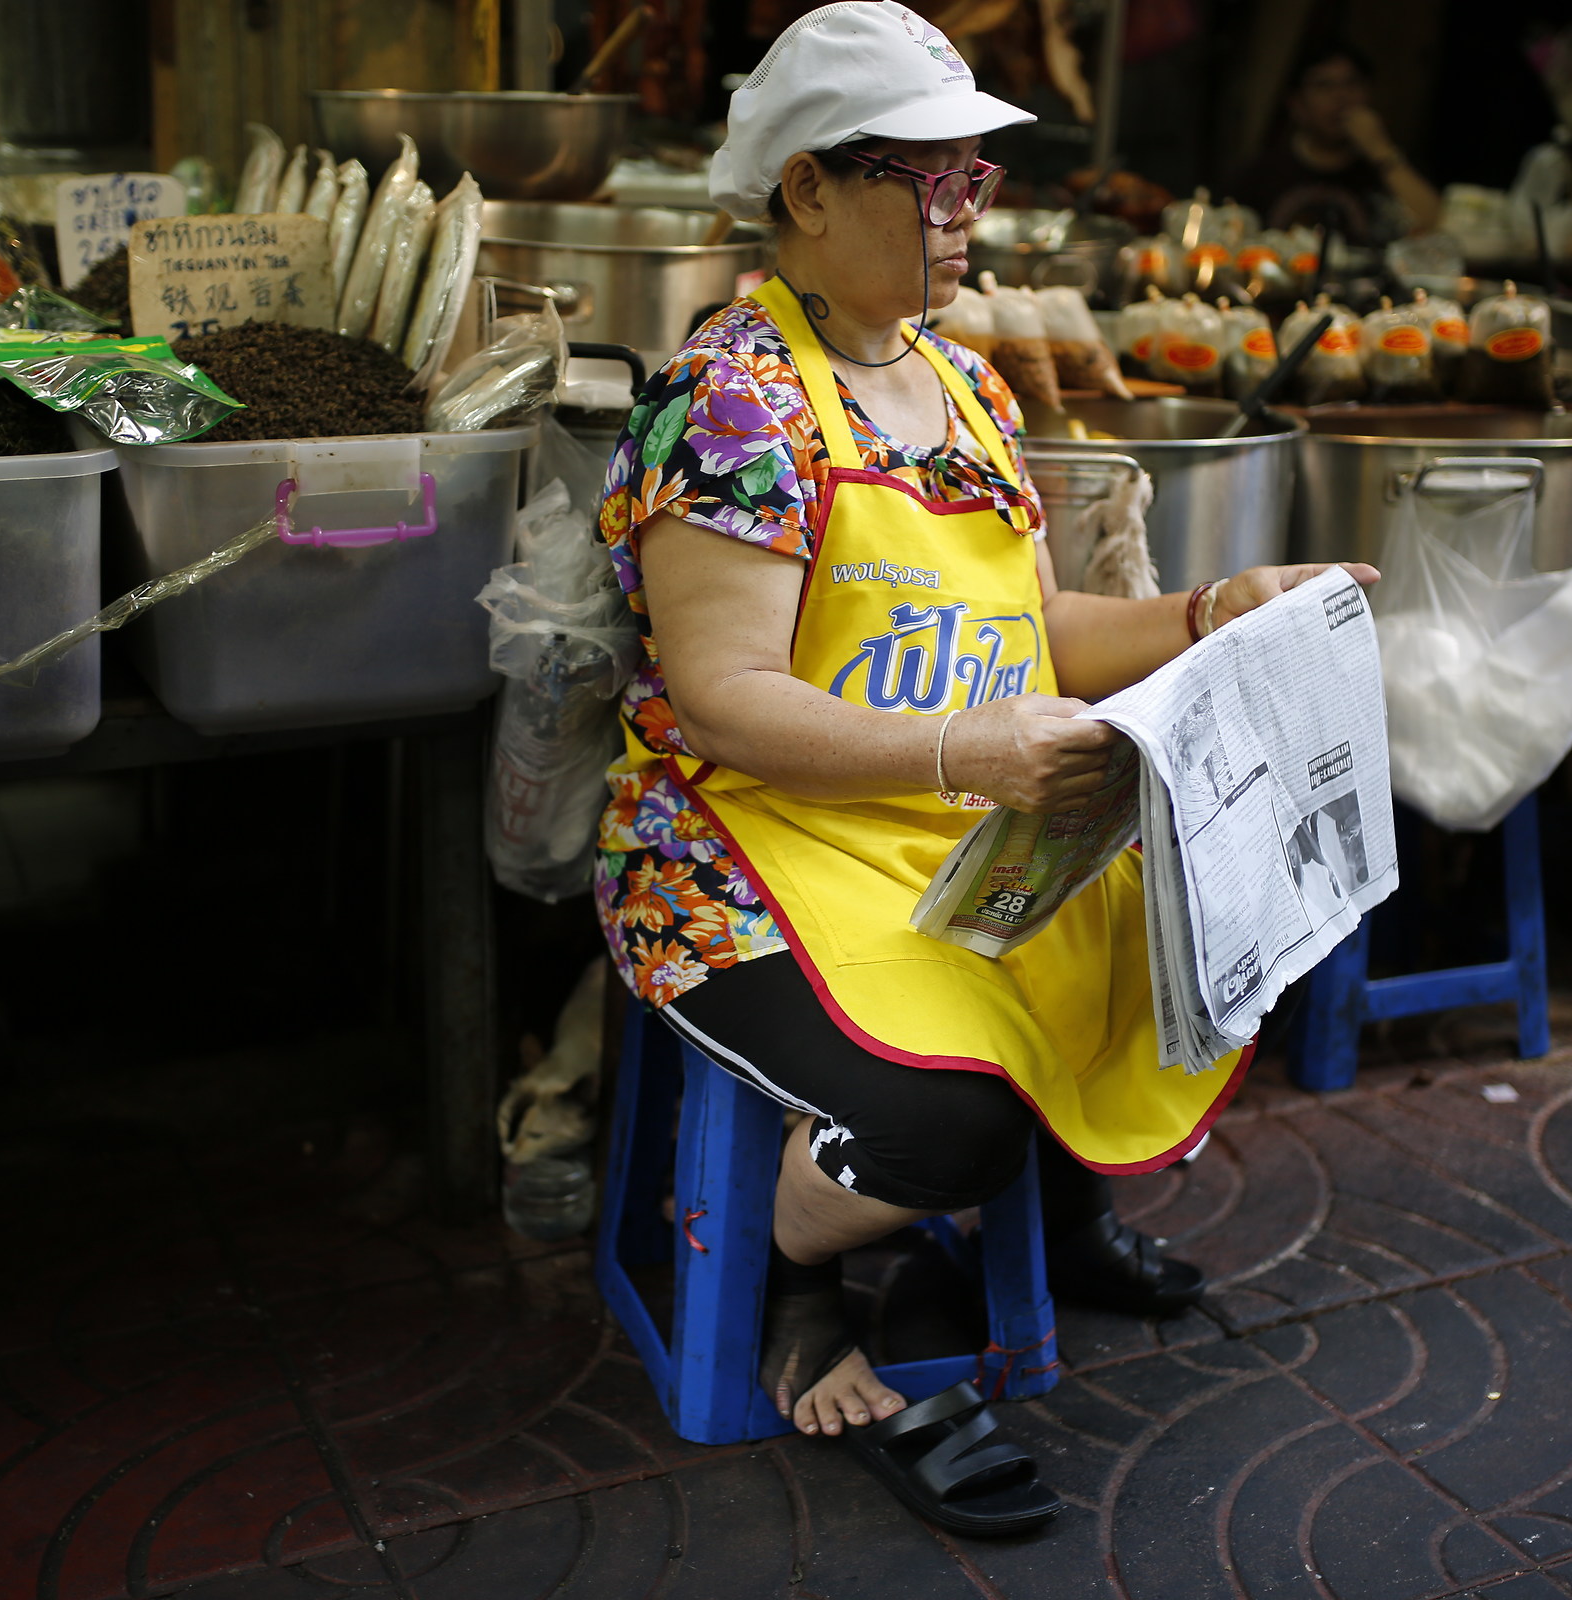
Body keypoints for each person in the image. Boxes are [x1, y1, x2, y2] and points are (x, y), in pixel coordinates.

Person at [596, 0, 1374, 1537]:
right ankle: (792, 1270)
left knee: (1185, 955)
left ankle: (1057, 1209)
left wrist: (1216, 612)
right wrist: (968, 746)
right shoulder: (732, 402)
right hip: (744, 844)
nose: (966, 217)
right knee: (946, 1121)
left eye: (977, 181)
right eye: (929, 180)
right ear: (809, 188)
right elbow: (728, 698)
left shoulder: (965, 389)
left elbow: (1029, 631)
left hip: (958, 823)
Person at [1231, 41, 1440, 241]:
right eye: (1324, 86)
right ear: (1297, 105)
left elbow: (1437, 230)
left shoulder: (1391, 167)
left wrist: (1380, 150)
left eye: (1351, 83)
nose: (1341, 97)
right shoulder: (1263, 172)